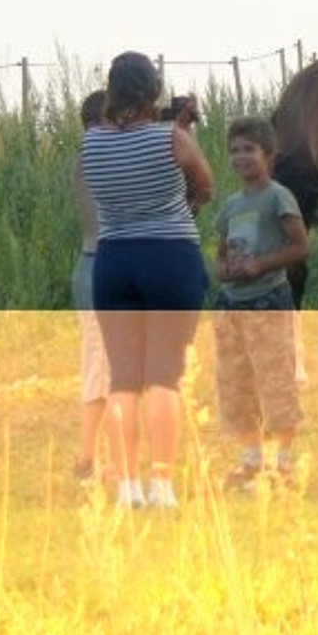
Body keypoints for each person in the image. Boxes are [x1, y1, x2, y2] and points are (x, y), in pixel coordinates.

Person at [83, 52, 214, 509]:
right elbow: (206, 185)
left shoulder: (92, 143)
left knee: (123, 379)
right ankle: (162, 485)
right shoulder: (172, 138)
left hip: (114, 256)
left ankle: (126, 486)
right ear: (153, 90)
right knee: (164, 375)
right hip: (170, 255)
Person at [212, 116, 311, 489]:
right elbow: (220, 255)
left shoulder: (278, 197)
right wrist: (225, 269)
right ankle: (251, 459)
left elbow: (301, 246)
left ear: (268, 155)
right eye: (234, 150)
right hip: (231, 304)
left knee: (275, 380)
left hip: (268, 299)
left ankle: (283, 463)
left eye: (249, 149)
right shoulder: (231, 206)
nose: (241, 157)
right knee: (236, 383)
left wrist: (260, 265)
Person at [70, 90, 112, 486]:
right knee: (104, 370)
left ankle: (92, 457)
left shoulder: (87, 157)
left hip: (91, 267)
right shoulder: (97, 158)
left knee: (101, 365)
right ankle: (90, 460)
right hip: (100, 267)